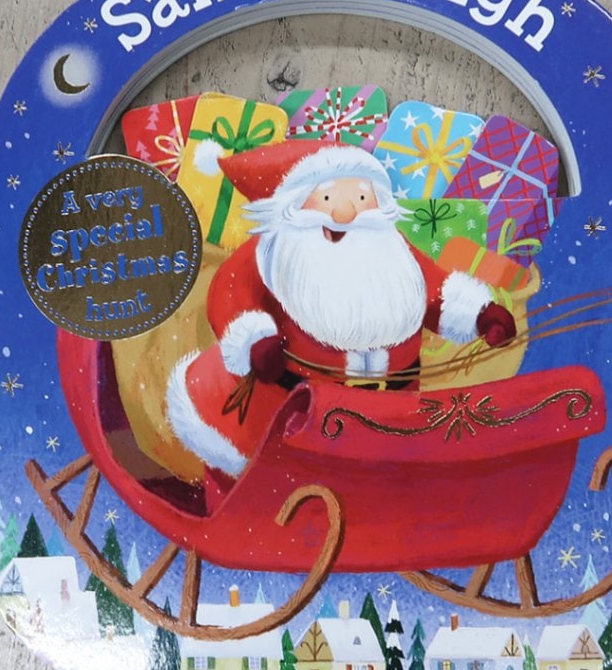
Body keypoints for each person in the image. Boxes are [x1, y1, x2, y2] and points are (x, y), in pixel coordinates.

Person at [166, 140, 515, 482]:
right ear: (294, 206)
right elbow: (232, 295)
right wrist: (255, 342)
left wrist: (480, 315)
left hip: (389, 414)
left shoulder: (391, 249)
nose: (345, 213)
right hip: (284, 411)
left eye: (362, 198)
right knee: (265, 479)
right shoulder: (274, 253)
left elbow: (436, 290)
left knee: (372, 482)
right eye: (327, 199)